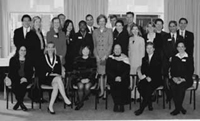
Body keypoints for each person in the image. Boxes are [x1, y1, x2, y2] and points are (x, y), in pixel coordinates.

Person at [41, 42, 71, 114]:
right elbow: (41, 71)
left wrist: (56, 74)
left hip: (55, 78)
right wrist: (52, 74)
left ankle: (50, 106)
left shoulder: (57, 57)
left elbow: (59, 71)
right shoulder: (42, 57)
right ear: (46, 48)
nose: (50, 49)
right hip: (45, 78)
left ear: (54, 48)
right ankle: (65, 97)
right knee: (58, 79)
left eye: (52, 47)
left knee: (56, 85)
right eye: (49, 47)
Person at [134, 42, 163, 116]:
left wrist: (150, 77)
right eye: (147, 48)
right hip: (147, 77)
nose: (149, 50)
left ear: (154, 49)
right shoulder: (144, 59)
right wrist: (146, 77)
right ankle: (149, 102)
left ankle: (141, 108)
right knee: (139, 85)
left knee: (148, 88)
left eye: (150, 48)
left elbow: (158, 70)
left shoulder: (158, 57)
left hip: (156, 78)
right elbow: (144, 70)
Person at [169, 41, 194, 116]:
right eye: (179, 47)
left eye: (182, 46)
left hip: (186, 79)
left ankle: (177, 109)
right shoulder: (174, 57)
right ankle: (180, 107)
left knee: (180, 88)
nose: (180, 48)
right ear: (177, 48)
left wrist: (183, 79)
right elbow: (172, 70)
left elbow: (191, 70)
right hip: (175, 78)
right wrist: (174, 78)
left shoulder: (189, 57)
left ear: (185, 48)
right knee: (173, 87)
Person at [162, 21, 184, 101]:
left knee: (176, 76)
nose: (172, 28)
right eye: (170, 26)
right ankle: (168, 94)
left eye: (174, 26)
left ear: (176, 27)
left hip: (177, 61)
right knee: (167, 78)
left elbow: (182, 49)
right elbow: (164, 48)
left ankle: (176, 94)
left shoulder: (180, 37)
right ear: (169, 27)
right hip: (167, 60)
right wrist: (169, 57)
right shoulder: (165, 36)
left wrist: (175, 58)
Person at [93, 14, 113, 98]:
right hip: (98, 55)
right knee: (100, 75)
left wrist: (106, 55)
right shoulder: (95, 32)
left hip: (105, 56)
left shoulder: (109, 31)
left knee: (105, 75)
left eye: (103, 21)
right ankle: (101, 91)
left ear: (105, 22)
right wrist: (96, 55)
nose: (102, 22)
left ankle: (105, 91)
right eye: (100, 21)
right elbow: (94, 45)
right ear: (98, 22)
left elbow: (110, 44)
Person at [8, 45, 34, 111]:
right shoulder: (13, 60)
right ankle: (21, 103)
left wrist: (25, 78)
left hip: (26, 78)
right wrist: (19, 79)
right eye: (21, 50)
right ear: (18, 51)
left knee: (23, 86)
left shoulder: (29, 60)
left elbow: (30, 72)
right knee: (15, 85)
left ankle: (18, 103)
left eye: (24, 50)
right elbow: (11, 72)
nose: (23, 52)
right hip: (15, 78)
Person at [106, 44, 131, 112]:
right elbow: (108, 70)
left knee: (122, 85)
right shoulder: (110, 58)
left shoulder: (125, 58)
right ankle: (116, 104)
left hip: (123, 78)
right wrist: (115, 77)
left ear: (121, 50)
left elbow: (127, 70)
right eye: (115, 49)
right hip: (112, 78)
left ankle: (121, 104)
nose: (117, 50)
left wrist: (121, 77)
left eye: (119, 48)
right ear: (113, 50)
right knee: (114, 85)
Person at [72, 46, 97, 110]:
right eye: (84, 49)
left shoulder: (93, 59)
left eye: (87, 50)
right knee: (80, 86)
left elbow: (94, 71)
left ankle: (80, 101)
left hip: (90, 78)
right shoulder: (77, 59)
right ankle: (81, 102)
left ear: (89, 51)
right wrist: (81, 79)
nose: (85, 51)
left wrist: (88, 79)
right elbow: (74, 71)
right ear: (81, 50)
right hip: (79, 78)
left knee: (87, 87)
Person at [26, 16, 45, 84]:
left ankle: (38, 92)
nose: (38, 23)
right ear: (33, 23)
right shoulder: (30, 34)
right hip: (34, 59)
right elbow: (29, 49)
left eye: (39, 22)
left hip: (40, 56)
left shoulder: (40, 33)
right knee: (35, 79)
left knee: (40, 77)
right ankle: (35, 93)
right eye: (36, 22)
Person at [128, 24, 145, 100]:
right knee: (132, 78)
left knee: (139, 79)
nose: (134, 31)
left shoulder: (141, 39)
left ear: (138, 30)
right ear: (131, 30)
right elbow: (129, 51)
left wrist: (141, 63)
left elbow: (142, 52)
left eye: (136, 29)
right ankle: (132, 95)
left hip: (139, 61)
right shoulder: (130, 39)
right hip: (131, 61)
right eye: (133, 29)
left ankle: (138, 96)